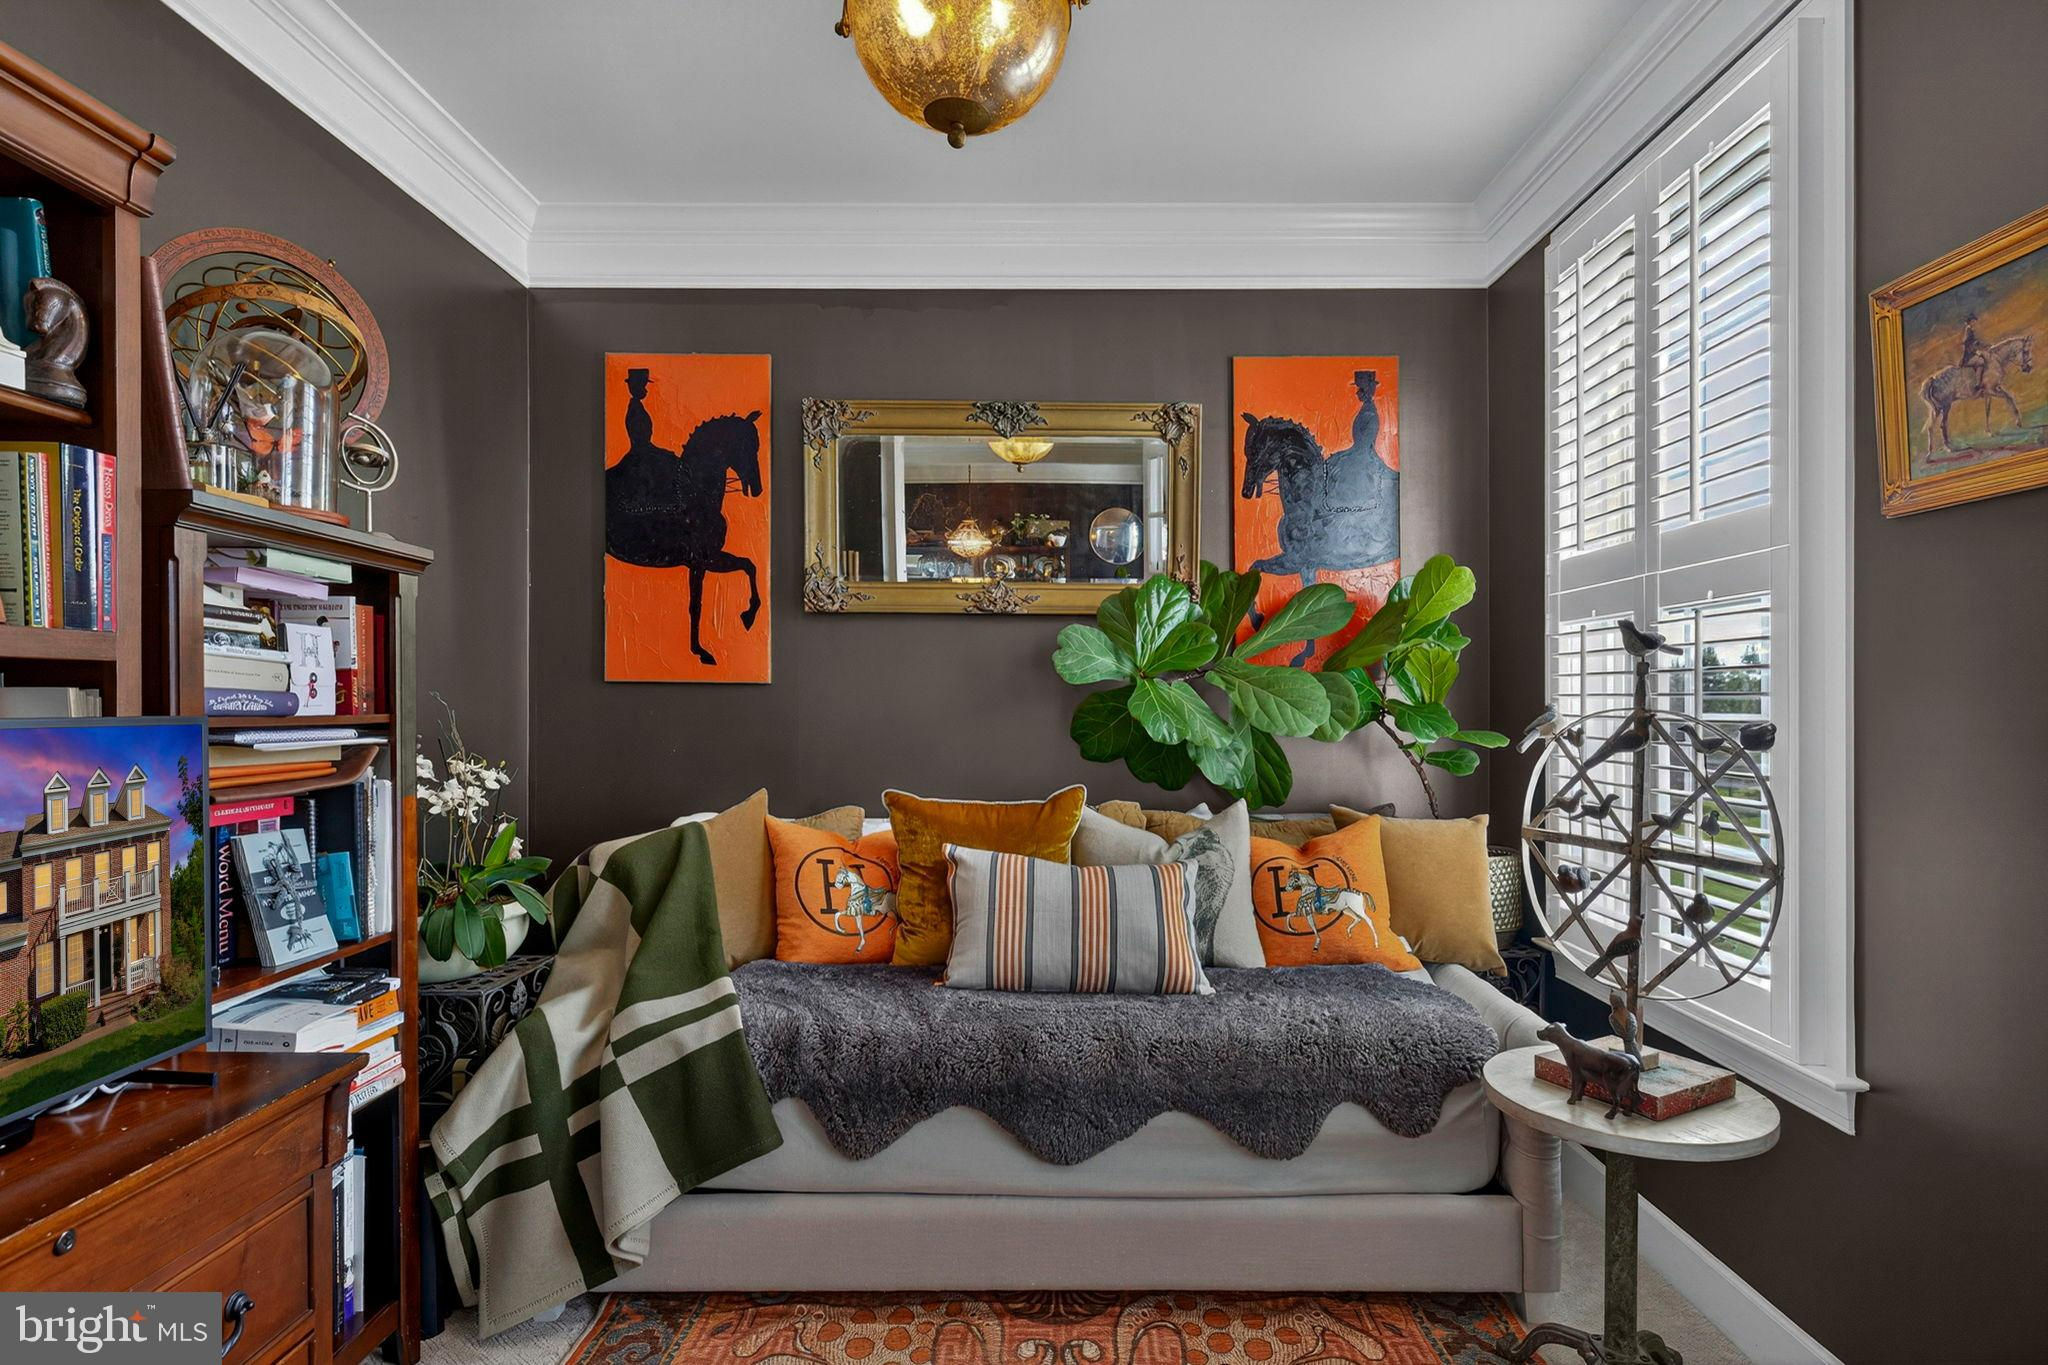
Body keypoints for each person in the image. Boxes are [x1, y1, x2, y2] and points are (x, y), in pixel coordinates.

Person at [1960, 313, 1987, 393]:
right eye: (1973, 321)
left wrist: (1985, 345)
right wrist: (1976, 351)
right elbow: (1966, 344)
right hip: (1967, 357)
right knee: (1981, 361)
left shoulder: (1970, 330)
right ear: (1970, 321)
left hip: (1970, 354)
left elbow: (1974, 342)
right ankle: (1978, 384)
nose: (1975, 322)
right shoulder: (1968, 330)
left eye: (1975, 321)